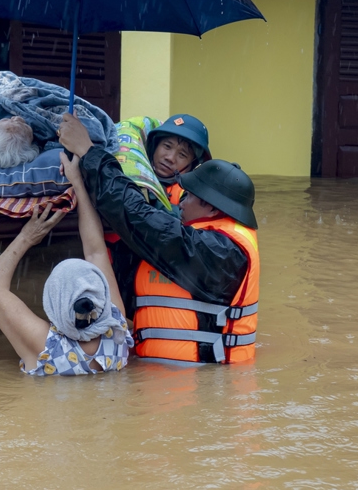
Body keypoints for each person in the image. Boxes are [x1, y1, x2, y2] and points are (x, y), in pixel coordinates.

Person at [59, 113, 259, 365]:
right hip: (161, 377)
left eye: (189, 197)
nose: (181, 203)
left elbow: (138, 217)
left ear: (210, 208)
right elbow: (101, 251)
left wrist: (89, 152)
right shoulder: (202, 240)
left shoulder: (220, 251)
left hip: (201, 384)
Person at [0, 152, 131, 376]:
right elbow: (96, 251)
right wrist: (78, 182)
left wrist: (27, 237)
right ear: (102, 297)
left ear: (53, 303)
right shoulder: (117, 328)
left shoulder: (45, 347)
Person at [146, 114, 211, 204]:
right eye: (167, 146)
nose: (170, 158)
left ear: (193, 164)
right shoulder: (130, 170)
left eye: (182, 155)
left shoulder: (192, 196)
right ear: (155, 145)